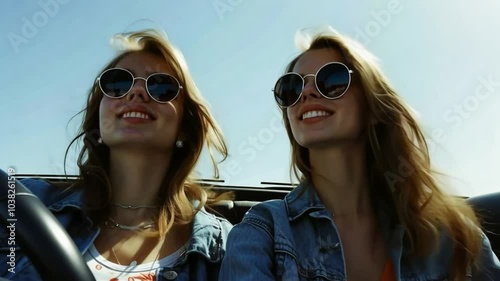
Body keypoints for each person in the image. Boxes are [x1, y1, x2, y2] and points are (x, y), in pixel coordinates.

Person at [219, 27, 500, 281]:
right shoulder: (261, 233)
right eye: (291, 87)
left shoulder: (451, 233)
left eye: (331, 79)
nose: (305, 93)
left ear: (374, 107)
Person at [0, 29, 232, 280]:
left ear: (185, 129)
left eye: (161, 86)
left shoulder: (227, 246)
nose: (137, 93)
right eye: (118, 83)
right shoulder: (19, 203)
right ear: (98, 119)